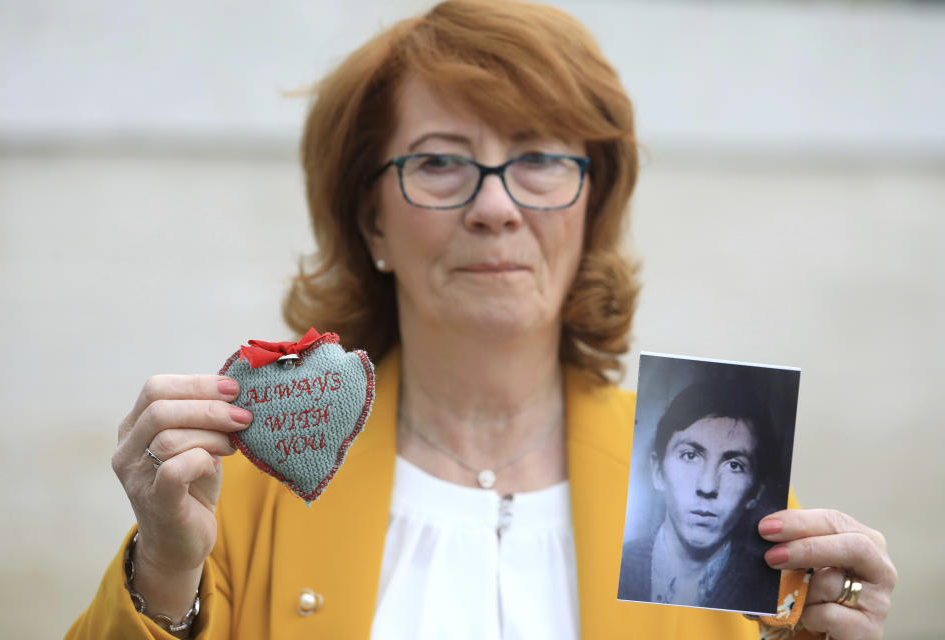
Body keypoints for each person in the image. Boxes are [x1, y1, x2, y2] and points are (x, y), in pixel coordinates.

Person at [67, 1, 896, 638]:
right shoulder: (238, 496)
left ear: (589, 203)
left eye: (538, 158)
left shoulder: (727, 504)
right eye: (438, 161)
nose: (495, 205)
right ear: (371, 220)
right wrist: (165, 579)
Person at [617, 379, 782, 613]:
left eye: (734, 465)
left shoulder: (769, 591)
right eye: (690, 455)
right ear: (657, 471)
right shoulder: (612, 566)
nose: (707, 486)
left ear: (756, 491)